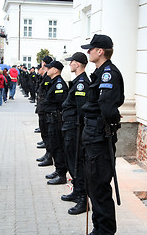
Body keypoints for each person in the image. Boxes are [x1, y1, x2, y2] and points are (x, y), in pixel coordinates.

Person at [81, 34, 124, 235]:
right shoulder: (99, 73)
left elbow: (107, 108)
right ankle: (99, 228)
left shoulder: (109, 74)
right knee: (94, 186)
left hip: (99, 137)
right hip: (92, 136)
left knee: (99, 187)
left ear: (101, 51)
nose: (87, 52)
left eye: (90, 49)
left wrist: (114, 117)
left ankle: (105, 231)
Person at [61, 52, 90, 215]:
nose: (69, 64)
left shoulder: (82, 83)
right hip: (71, 128)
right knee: (72, 161)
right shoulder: (78, 81)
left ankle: (82, 198)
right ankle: (76, 191)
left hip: (76, 129)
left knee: (77, 163)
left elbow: (81, 109)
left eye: (71, 62)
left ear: (77, 64)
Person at [44, 61, 68, 185]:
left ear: (56, 70)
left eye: (49, 68)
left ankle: (61, 174)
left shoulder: (59, 84)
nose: (47, 69)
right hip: (51, 119)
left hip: (56, 120)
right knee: (53, 145)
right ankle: (58, 170)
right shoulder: (53, 83)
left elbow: (60, 103)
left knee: (58, 147)